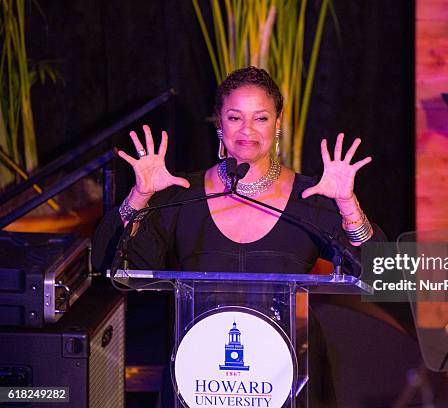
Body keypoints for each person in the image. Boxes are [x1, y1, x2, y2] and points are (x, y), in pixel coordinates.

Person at [92, 66, 384, 407]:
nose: (247, 130)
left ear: (278, 123)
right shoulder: (184, 195)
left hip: (291, 376)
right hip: (200, 375)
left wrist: (347, 205)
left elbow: (383, 270)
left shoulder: (310, 198)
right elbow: (107, 263)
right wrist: (139, 198)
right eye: (235, 118)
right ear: (219, 122)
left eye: (260, 118)